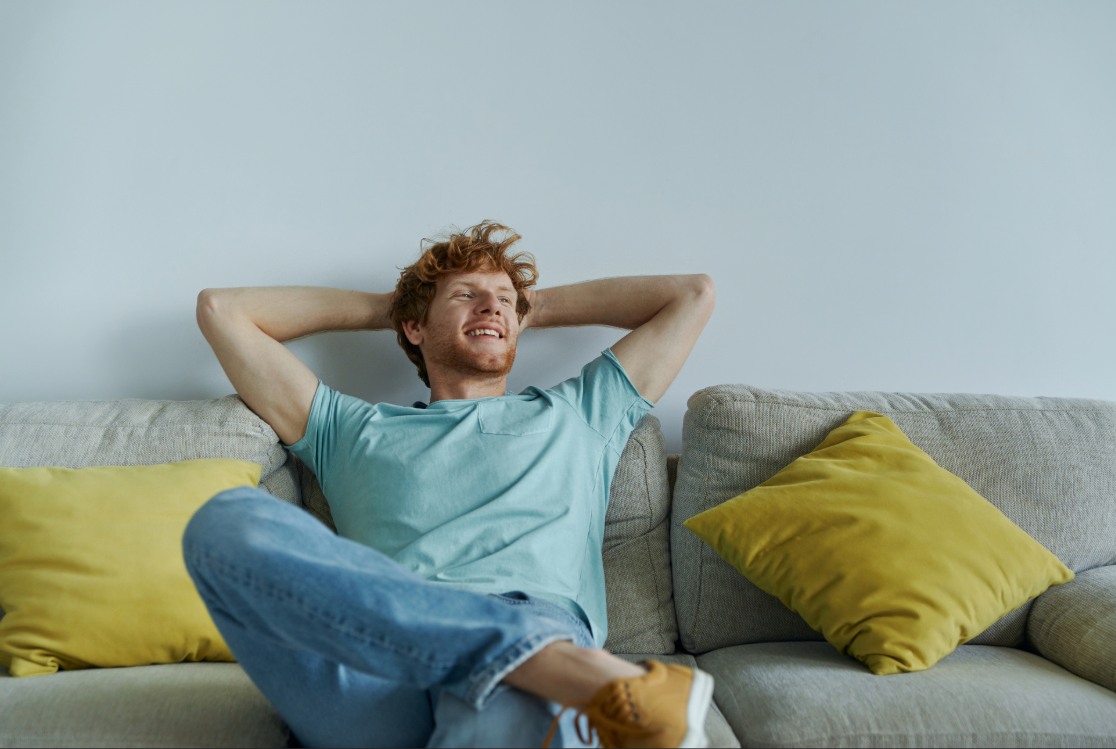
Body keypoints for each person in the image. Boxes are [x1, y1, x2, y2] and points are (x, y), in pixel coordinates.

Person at [183, 220, 717, 748]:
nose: (492, 307)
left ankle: (532, 661)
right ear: (414, 328)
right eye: (468, 295)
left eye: (505, 300)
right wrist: (392, 310)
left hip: (522, 621)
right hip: (375, 662)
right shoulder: (349, 430)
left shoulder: (578, 415)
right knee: (224, 521)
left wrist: (533, 306)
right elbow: (221, 311)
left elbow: (692, 295)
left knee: (499, 712)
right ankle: (557, 668)